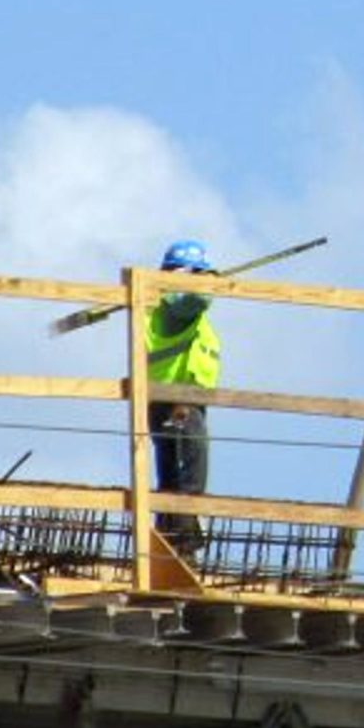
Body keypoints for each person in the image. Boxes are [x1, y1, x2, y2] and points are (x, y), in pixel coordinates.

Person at [145, 239, 220, 560]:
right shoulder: (174, 306)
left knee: (178, 474)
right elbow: (196, 298)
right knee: (186, 473)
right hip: (175, 401)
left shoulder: (174, 308)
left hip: (183, 399)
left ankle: (172, 541)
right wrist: (202, 279)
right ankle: (180, 544)